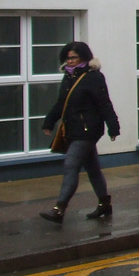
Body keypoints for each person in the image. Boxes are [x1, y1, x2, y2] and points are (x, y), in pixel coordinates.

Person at [40, 41, 120, 224]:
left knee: (71, 164)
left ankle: (59, 209)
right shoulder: (68, 77)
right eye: (67, 58)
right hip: (73, 130)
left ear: (83, 58)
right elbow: (62, 103)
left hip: (88, 130)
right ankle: (104, 204)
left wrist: (113, 127)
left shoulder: (94, 77)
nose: (70, 61)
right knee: (92, 168)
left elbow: (104, 103)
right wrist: (49, 122)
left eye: (73, 57)